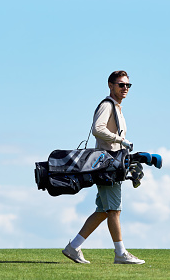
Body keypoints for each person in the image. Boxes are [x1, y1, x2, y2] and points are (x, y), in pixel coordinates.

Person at [62, 70, 145, 265]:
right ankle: (120, 253)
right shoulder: (107, 105)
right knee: (114, 210)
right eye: (121, 85)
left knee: (103, 211)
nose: (125, 88)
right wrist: (120, 140)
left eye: (127, 85)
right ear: (110, 85)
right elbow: (97, 129)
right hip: (107, 165)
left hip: (110, 164)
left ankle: (73, 247)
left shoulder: (117, 108)